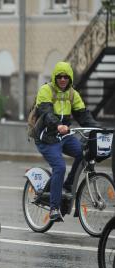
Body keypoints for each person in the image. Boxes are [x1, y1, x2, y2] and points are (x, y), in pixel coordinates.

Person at [33, 61, 99, 222]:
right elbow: (46, 113)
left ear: (70, 78)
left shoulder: (72, 94)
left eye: (66, 77)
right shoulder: (45, 90)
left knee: (83, 153)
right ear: (55, 77)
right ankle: (54, 208)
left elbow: (84, 116)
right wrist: (58, 125)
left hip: (64, 135)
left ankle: (68, 186)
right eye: (60, 76)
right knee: (60, 166)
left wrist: (99, 128)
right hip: (47, 137)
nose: (63, 79)